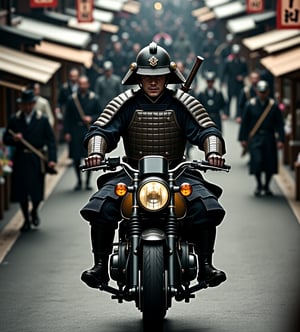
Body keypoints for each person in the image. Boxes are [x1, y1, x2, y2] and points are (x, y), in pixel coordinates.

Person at [80, 42, 228, 289]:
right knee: (101, 207)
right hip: (133, 171)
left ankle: (205, 266)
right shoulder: (125, 103)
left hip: (176, 171)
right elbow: (101, 129)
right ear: (137, 77)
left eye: (158, 76)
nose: (153, 82)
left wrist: (213, 151)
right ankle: (100, 266)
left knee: (205, 208)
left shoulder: (182, 103)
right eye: (147, 76)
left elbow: (206, 130)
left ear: (167, 77)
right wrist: (97, 151)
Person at [3, 89, 57, 231]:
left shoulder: (42, 119)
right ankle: (26, 218)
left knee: (37, 191)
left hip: (36, 158)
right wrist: (14, 139)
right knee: (21, 191)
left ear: (33, 104)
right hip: (21, 158)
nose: (27, 107)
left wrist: (52, 159)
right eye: (24, 104)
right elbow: (6, 139)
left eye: (30, 104)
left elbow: (51, 141)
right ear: (21, 105)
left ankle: (34, 211)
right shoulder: (14, 119)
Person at [238, 80, 285, 197]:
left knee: (269, 162)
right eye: (260, 92)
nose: (262, 94)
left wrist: (281, 139)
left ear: (268, 92)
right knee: (257, 161)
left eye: (264, 92)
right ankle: (259, 184)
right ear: (256, 92)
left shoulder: (273, 106)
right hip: (256, 137)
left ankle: (267, 186)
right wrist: (243, 139)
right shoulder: (250, 105)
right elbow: (245, 123)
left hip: (269, 136)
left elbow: (280, 123)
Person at [63, 75, 101, 191]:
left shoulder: (94, 98)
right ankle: (79, 181)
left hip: (88, 130)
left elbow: (100, 114)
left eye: (84, 84)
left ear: (88, 85)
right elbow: (67, 117)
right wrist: (67, 132)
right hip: (75, 130)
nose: (82, 86)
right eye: (80, 84)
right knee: (76, 157)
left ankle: (88, 181)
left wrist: (91, 118)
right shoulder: (72, 99)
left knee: (89, 156)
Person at [221, 44, 249, 119]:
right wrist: (222, 81)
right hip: (231, 83)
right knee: (229, 99)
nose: (236, 55)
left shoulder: (243, 62)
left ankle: (238, 115)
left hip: (239, 84)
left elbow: (246, 72)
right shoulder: (228, 61)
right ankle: (227, 113)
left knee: (239, 100)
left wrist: (242, 76)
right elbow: (224, 72)